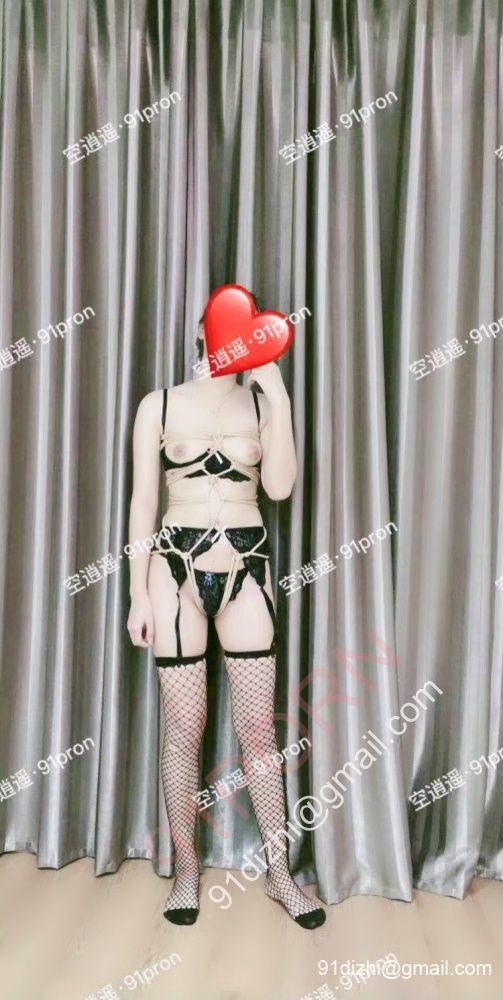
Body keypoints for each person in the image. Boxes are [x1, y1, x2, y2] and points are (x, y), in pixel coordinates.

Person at [127, 305, 326, 929]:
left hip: (246, 567)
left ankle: (280, 874)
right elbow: (143, 501)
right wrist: (136, 594)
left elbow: (280, 488)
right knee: (183, 728)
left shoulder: (261, 405)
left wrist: (278, 396)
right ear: (203, 334)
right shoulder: (158, 405)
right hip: (172, 572)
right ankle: (186, 871)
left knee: (260, 733)